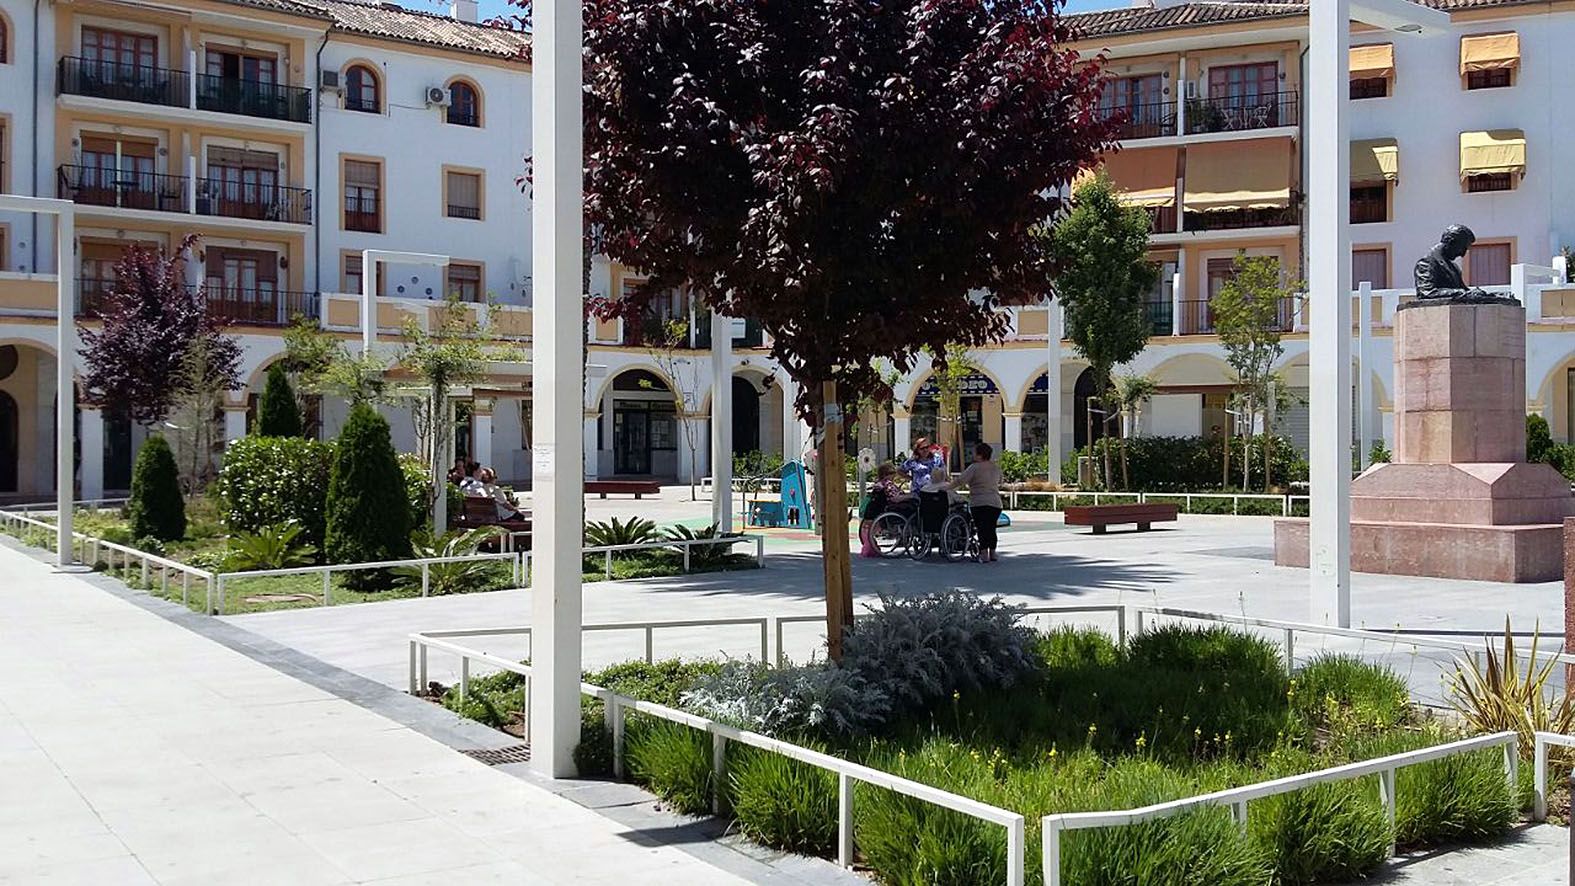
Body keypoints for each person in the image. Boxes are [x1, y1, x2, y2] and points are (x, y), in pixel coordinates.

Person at [948, 441, 1004, 563]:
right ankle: (993, 552)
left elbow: (960, 480)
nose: (973, 455)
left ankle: (984, 553)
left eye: (974, 453)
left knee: (982, 528)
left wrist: (947, 488)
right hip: (995, 502)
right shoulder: (995, 467)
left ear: (980, 455)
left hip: (979, 502)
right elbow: (1000, 481)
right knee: (991, 527)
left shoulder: (974, 467)